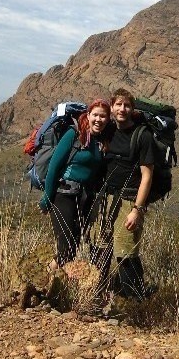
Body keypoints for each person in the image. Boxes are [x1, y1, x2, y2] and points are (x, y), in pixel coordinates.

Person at [92, 88, 156, 300]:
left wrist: (137, 210)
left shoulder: (142, 135)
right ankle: (96, 295)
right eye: (118, 104)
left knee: (126, 254)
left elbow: (147, 176)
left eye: (126, 105)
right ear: (112, 107)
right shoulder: (108, 129)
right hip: (105, 199)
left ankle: (137, 304)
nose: (122, 109)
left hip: (129, 201)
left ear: (132, 108)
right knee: (99, 249)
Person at [39, 98, 112, 268]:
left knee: (73, 248)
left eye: (103, 116)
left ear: (108, 119)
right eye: (95, 115)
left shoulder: (102, 140)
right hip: (64, 195)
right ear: (88, 115)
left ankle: (58, 284)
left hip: (84, 199)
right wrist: (47, 198)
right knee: (65, 249)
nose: (98, 120)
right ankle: (46, 281)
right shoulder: (74, 134)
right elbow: (54, 167)